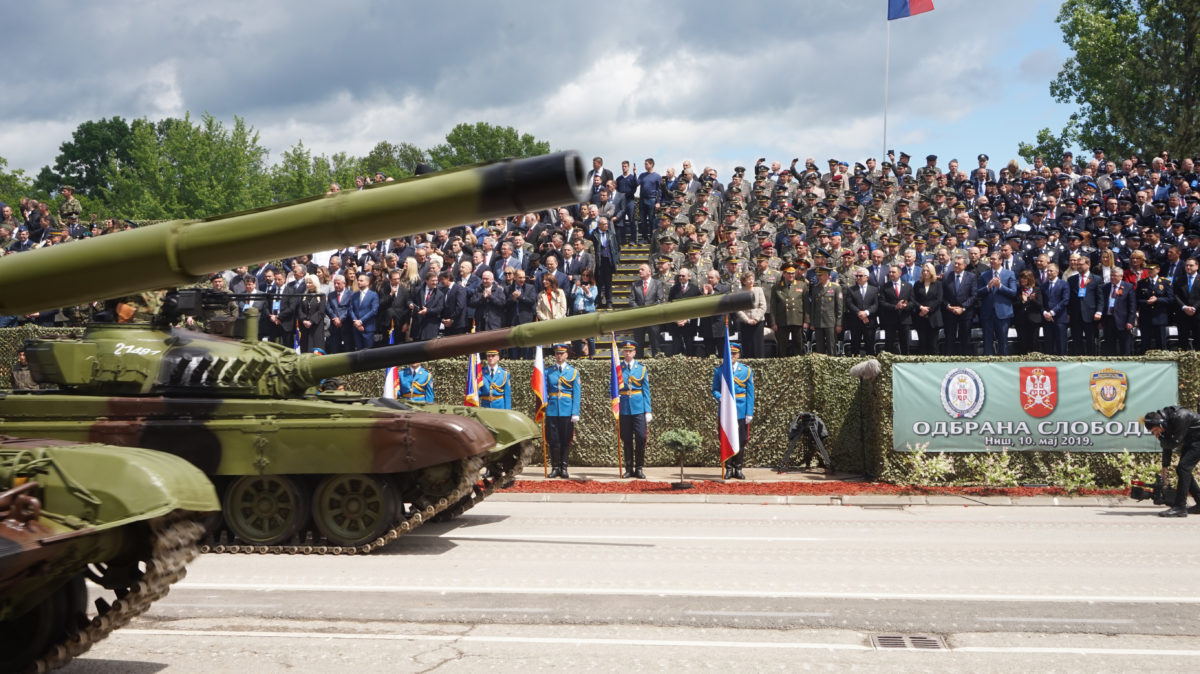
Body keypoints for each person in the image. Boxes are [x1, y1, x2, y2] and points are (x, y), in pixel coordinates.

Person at [1142, 407, 1200, 517]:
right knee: (1182, 469)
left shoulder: (1180, 416)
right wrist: (1164, 468)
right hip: (1192, 440)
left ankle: (1180, 507)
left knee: (1184, 468)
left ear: (1160, 424)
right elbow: (1167, 446)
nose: (1155, 434)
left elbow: (1174, 443)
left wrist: (1161, 440)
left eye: (1155, 431)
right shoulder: (1165, 422)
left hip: (1198, 440)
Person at [711, 341, 754, 480]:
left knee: (741, 440)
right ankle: (728, 468)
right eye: (730, 354)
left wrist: (749, 412)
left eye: (734, 353)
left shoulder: (746, 370)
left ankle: (738, 468)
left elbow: (750, 393)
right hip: (726, 411)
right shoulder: (720, 370)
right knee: (726, 439)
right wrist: (721, 397)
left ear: (739, 354)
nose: (732, 356)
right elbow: (715, 390)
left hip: (741, 409)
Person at [544, 343, 581, 479]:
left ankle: (564, 467)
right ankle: (555, 467)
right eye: (557, 354)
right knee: (553, 440)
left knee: (566, 440)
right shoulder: (548, 371)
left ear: (566, 355)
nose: (559, 356)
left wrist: (575, 412)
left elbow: (576, 394)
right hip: (553, 410)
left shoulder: (573, 372)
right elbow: (544, 391)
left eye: (562, 353)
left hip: (567, 410)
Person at [617, 339, 652, 479]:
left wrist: (648, 410)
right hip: (624, 408)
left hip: (638, 408)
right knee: (626, 439)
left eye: (630, 351)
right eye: (625, 351)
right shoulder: (618, 369)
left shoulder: (642, 369)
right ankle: (628, 468)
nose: (627, 353)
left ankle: (639, 468)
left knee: (641, 437)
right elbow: (612, 389)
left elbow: (646, 391)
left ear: (635, 352)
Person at [978, 251, 1017, 356]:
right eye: (990, 259)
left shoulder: (1010, 274)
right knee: (987, 341)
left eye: (994, 259)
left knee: (1003, 341)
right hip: (988, 313)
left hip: (1003, 313)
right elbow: (978, 293)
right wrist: (988, 287)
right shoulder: (984, 275)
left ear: (1001, 261)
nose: (991, 261)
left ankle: (1003, 364)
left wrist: (1000, 286)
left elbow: (1013, 293)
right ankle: (988, 364)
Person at [770, 263, 808, 357]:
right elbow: (773, 306)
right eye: (788, 273)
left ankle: (798, 365)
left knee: (798, 344)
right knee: (782, 346)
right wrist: (773, 322)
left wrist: (806, 321)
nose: (791, 275)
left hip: (797, 319)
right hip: (782, 320)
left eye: (792, 273)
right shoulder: (777, 287)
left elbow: (806, 305)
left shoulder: (802, 285)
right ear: (784, 274)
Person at [629, 263, 663, 357]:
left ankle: (657, 365)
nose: (640, 271)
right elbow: (631, 301)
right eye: (639, 270)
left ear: (649, 271)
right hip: (639, 319)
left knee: (655, 345)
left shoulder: (657, 283)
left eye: (642, 269)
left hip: (653, 319)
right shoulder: (635, 285)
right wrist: (640, 311)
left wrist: (649, 312)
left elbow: (659, 300)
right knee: (638, 345)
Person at [878, 264, 914, 354]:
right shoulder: (884, 287)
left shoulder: (908, 286)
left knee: (905, 343)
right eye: (890, 272)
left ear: (900, 273)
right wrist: (895, 307)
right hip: (890, 319)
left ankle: (905, 362)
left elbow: (912, 302)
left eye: (893, 272)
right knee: (889, 344)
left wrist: (906, 306)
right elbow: (882, 303)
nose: (891, 274)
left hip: (904, 319)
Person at [844, 266, 879, 355]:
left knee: (870, 344)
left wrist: (866, 313)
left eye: (860, 276)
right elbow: (849, 303)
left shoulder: (874, 289)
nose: (858, 278)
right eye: (857, 276)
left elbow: (876, 305)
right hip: (855, 321)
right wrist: (859, 313)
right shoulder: (851, 289)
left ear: (867, 277)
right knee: (855, 345)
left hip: (870, 321)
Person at [808, 266, 843, 356]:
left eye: (821, 275)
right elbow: (813, 307)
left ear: (827, 276)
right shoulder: (816, 288)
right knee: (819, 347)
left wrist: (838, 323)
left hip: (831, 321)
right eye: (817, 275)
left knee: (831, 346)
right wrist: (812, 322)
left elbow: (839, 307)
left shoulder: (836, 287)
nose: (819, 277)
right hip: (819, 321)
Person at [733, 272, 767, 358]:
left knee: (758, 346)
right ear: (744, 281)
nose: (751, 281)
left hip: (758, 322)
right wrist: (747, 320)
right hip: (745, 323)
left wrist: (756, 319)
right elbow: (738, 309)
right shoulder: (739, 292)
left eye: (752, 279)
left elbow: (763, 306)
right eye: (749, 279)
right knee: (747, 346)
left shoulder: (759, 290)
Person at [912, 263, 943, 354]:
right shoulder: (918, 284)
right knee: (922, 344)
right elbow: (913, 299)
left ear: (932, 272)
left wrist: (927, 310)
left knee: (933, 345)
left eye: (927, 271)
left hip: (933, 317)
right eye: (924, 271)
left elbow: (939, 299)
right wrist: (921, 308)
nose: (925, 272)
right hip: (920, 317)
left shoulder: (938, 284)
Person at [1013, 269, 1044, 354]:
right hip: (1021, 321)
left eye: (1024, 278)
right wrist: (1023, 301)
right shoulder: (1018, 290)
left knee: (1034, 342)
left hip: (1034, 320)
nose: (1022, 280)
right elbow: (1014, 305)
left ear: (1030, 279)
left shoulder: (1036, 290)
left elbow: (1040, 305)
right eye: (1021, 278)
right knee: (1022, 343)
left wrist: (1032, 300)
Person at [348, 273, 379, 351]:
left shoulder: (373, 295)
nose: (358, 282)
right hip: (356, 328)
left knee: (368, 352)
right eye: (358, 280)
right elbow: (351, 309)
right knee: (358, 352)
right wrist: (356, 321)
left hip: (368, 328)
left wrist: (361, 321)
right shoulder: (354, 295)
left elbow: (374, 311)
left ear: (367, 282)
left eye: (361, 281)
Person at [297, 274, 327, 353]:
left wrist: (311, 321)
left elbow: (321, 311)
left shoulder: (321, 296)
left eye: (310, 283)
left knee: (316, 347)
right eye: (307, 283)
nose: (308, 285)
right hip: (305, 327)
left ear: (315, 283)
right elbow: (299, 310)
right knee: (305, 347)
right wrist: (304, 320)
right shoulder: (304, 295)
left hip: (316, 326)